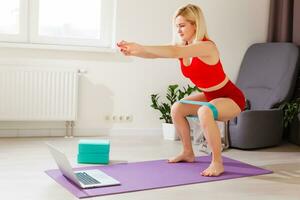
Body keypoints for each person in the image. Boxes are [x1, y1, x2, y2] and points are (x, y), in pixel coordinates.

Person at [117, 4, 246, 177]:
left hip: (231, 98)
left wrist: (140, 46)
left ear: (196, 25)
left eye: (182, 25)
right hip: (211, 96)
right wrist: (134, 51)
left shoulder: (207, 47)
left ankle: (217, 162)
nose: (178, 30)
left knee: (205, 111)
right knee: (177, 108)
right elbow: (156, 54)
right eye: (177, 26)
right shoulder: (183, 48)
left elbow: (173, 50)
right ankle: (187, 152)